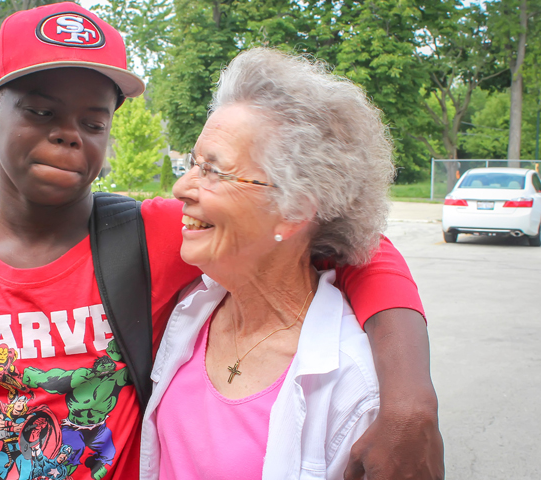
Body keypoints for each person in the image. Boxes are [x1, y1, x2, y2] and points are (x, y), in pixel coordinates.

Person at [0, 3, 443, 480]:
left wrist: (410, 401)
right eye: (40, 110)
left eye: (93, 122)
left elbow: (340, 242)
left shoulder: (150, 235)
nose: (67, 133)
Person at [139, 47, 426, 479]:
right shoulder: (194, 308)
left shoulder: (355, 386)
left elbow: (377, 257)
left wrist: (411, 401)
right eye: (193, 164)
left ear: (294, 210)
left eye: (214, 171)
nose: (181, 187)